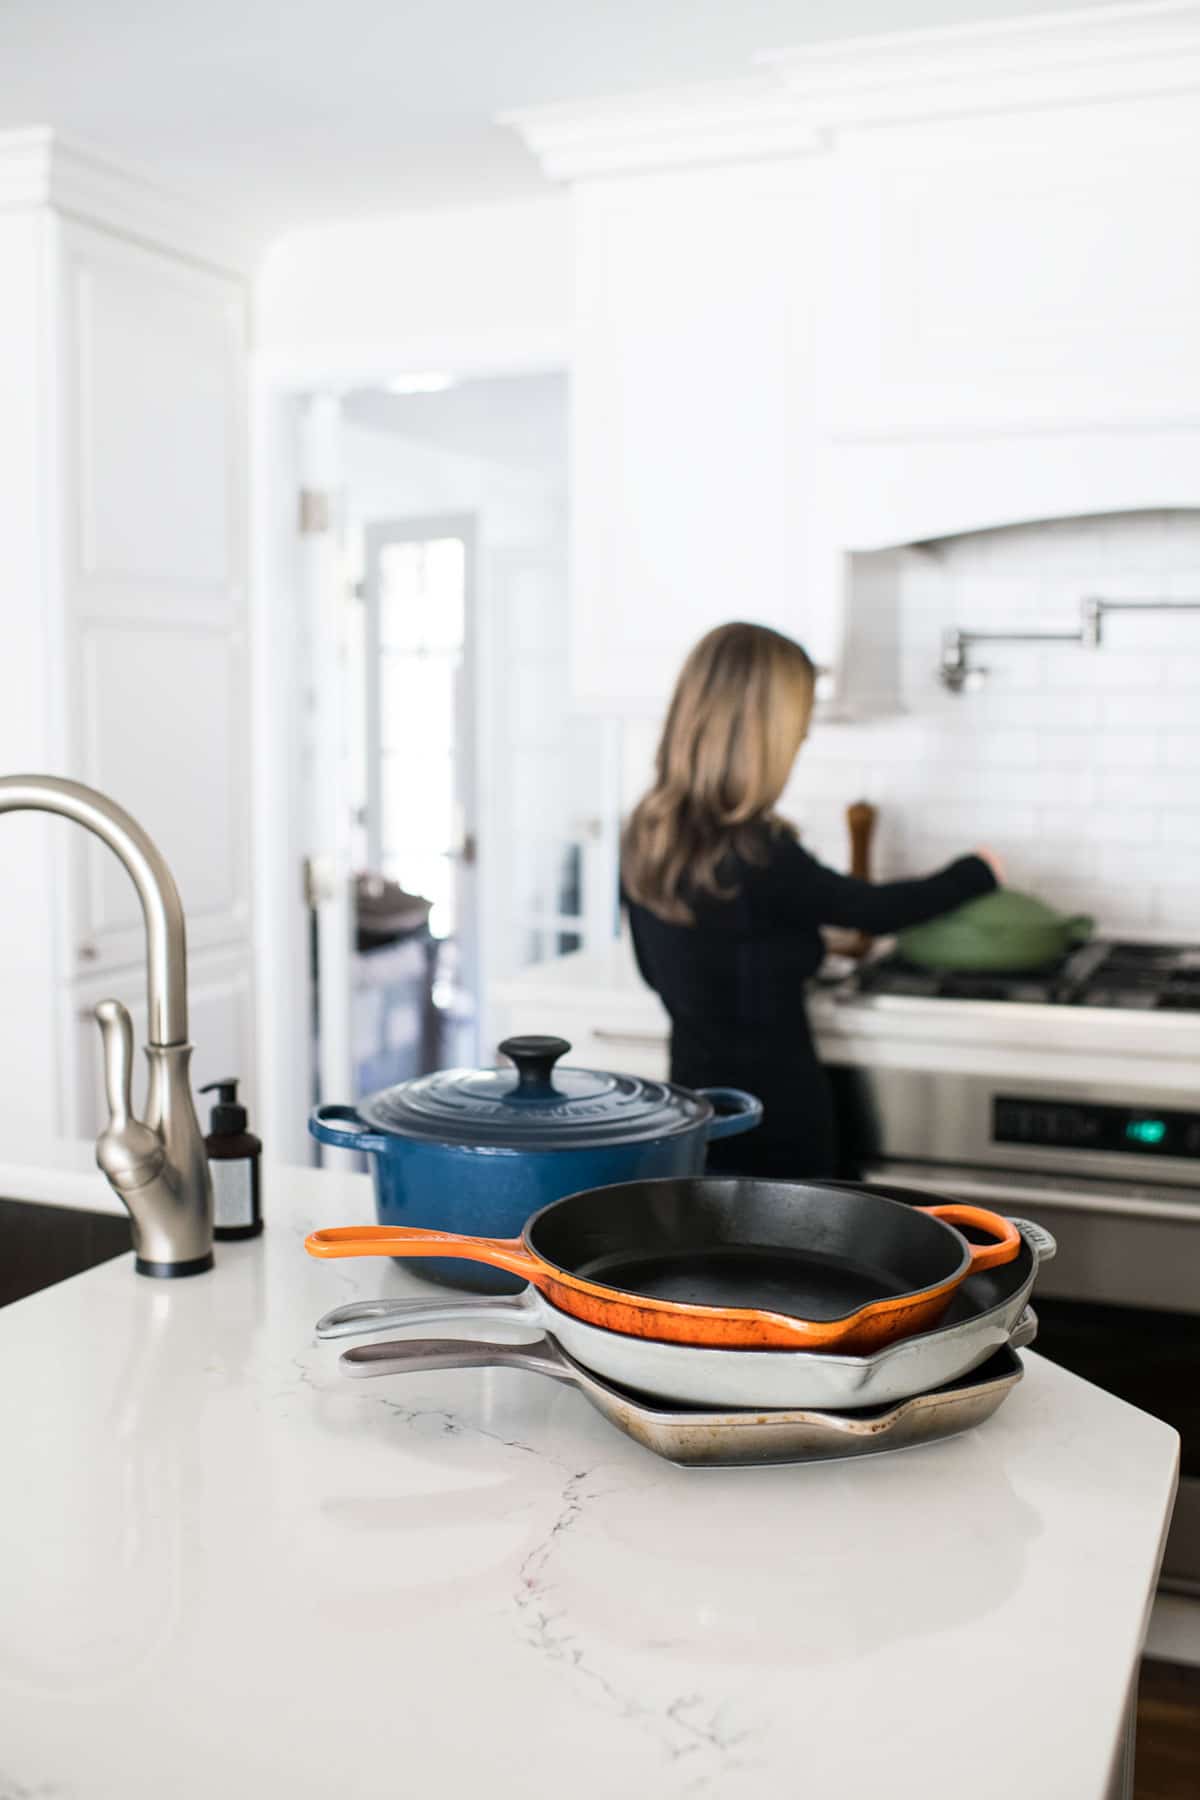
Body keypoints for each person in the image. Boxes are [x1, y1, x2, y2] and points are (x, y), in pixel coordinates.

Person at [621, 621, 1001, 1181]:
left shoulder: (648, 832)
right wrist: (978, 871)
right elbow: (873, 908)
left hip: (693, 1106)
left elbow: (669, 966)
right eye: (797, 723)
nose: (803, 738)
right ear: (762, 734)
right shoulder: (759, 851)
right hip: (777, 1114)